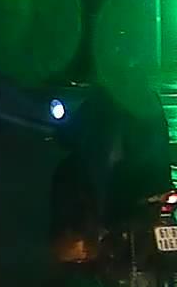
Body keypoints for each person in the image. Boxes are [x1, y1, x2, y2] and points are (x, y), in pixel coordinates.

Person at [51, 64, 172, 262]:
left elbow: (70, 136)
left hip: (131, 179)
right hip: (151, 178)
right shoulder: (148, 98)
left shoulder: (104, 99)